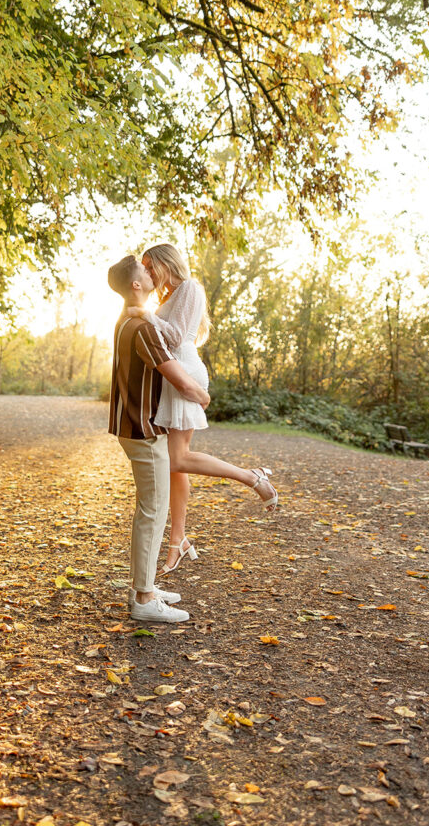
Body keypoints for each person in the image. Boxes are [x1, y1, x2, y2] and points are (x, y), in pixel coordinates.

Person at [129, 243, 278, 576]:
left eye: (151, 266)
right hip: (172, 377)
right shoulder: (168, 297)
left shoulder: (190, 288)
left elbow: (177, 336)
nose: (149, 273)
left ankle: (252, 477)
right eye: (145, 268)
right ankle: (178, 541)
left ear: (168, 263)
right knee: (174, 465)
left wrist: (144, 314)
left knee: (178, 458)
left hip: (185, 374)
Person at [108, 255, 211, 623]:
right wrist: (202, 396)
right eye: (145, 271)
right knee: (152, 514)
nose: (150, 274)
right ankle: (144, 599)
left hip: (131, 426)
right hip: (143, 430)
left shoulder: (125, 321)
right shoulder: (144, 328)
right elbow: (180, 380)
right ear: (137, 284)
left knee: (150, 512)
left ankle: (145, 583)